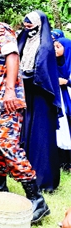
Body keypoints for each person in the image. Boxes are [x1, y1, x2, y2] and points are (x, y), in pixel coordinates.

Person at [0, 3, 50, 223]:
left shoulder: (0, 29)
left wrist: (10, 91)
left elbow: (12, 57)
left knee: (9, 147)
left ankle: (37, 201)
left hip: (5, 101)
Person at [17, 10, 61, 192]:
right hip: (28, 95)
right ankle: (29, 175)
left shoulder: (46, 47)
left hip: (42, 95)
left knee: (41, 136)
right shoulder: (24, 40)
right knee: (28, 134)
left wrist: (27, 76)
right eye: (25, 24)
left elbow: (44, 73)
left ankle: (45, 180)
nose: (28, 27)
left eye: (31, 24)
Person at [53, 37, 71, 172]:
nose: (55, 49)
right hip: (61, 101)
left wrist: (66, 82)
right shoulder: (54, 63)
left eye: (58, 46)